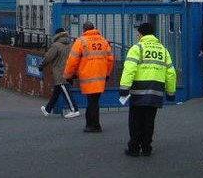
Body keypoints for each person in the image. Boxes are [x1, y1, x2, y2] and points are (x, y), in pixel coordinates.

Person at [119, 22, 177, 157]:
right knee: (149, 120)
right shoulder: (163, 50)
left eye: (138, 34)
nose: (137, 36)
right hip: (156, 91)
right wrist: (171, 92)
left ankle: (134, 148)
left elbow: (129, 70)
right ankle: (146, 148)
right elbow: (171, 72)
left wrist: (124, 88)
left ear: (141, 33)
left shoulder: (137, 48)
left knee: (135, 120)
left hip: (139, 90)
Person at [63, 21, 113, 132]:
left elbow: (72, 61)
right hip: (100, 75)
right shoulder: (103, 41)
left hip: (87, 76)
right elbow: (110, 60)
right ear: (94, 28)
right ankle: (93, 124)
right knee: (94, 100)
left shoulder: (81, 41)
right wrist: (107, 74)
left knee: (92, 101)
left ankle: (93, 125)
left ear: (84, 30)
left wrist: (68, 75)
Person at [39, 27, 79, 118]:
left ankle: (74, 110)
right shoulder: (70, 45)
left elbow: (48, 57)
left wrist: (41, 65)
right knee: (57, 91)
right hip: (68, 70)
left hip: (60, 72)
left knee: (65, 89)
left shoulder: (56, 46)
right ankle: (47, 109)